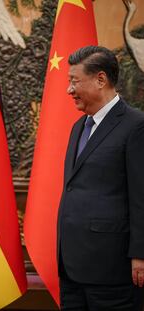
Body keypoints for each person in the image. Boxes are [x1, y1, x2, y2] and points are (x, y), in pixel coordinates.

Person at [57, 46, 144, 310]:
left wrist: (140, 254)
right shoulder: (78, 127)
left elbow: (142, 195)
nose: (69, 90)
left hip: (110, 268)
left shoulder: (135, 125)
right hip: (71, 267)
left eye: (74, 81)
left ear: (101, 80)